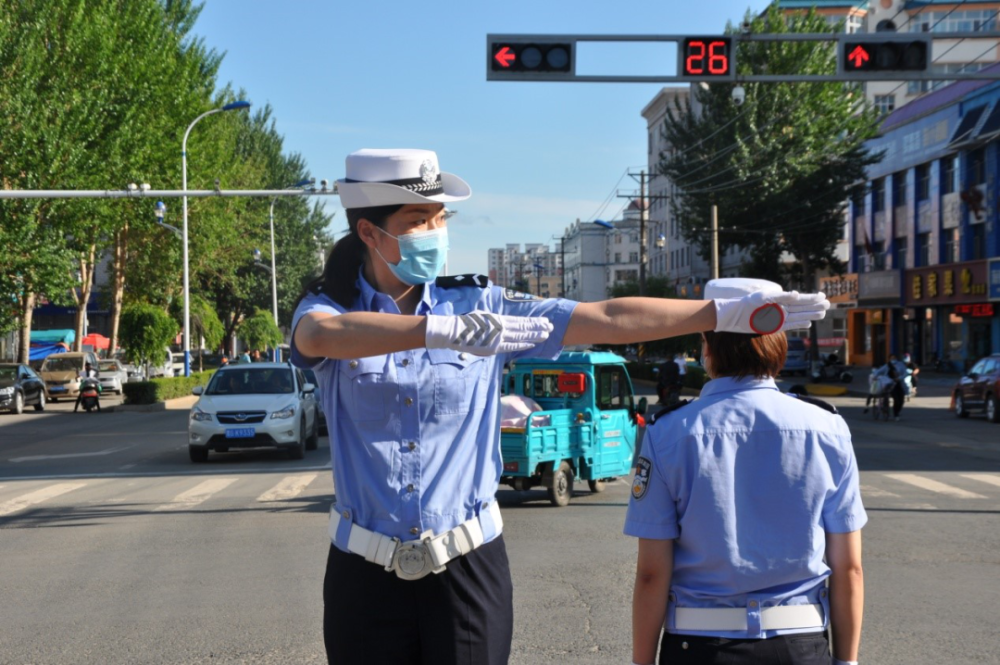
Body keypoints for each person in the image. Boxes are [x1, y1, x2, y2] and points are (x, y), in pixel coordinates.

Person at [290, 149, 831, 665]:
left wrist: (724, 314)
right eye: (417, 219)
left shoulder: (483, 306)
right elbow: (320, 337)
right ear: (368, 231)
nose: (435, 232)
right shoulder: (330, 307)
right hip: (363, 573)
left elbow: (606, 317)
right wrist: (437, 331)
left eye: (439, 217)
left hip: (465, 568)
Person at [625, 278, 865, 665]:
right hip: (799, 644)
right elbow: (849, 566)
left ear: (707, 346)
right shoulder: (827, 427)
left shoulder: (669, 432)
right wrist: (847, 661)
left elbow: (652, 573)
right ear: (779, 340)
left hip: (698, 644)